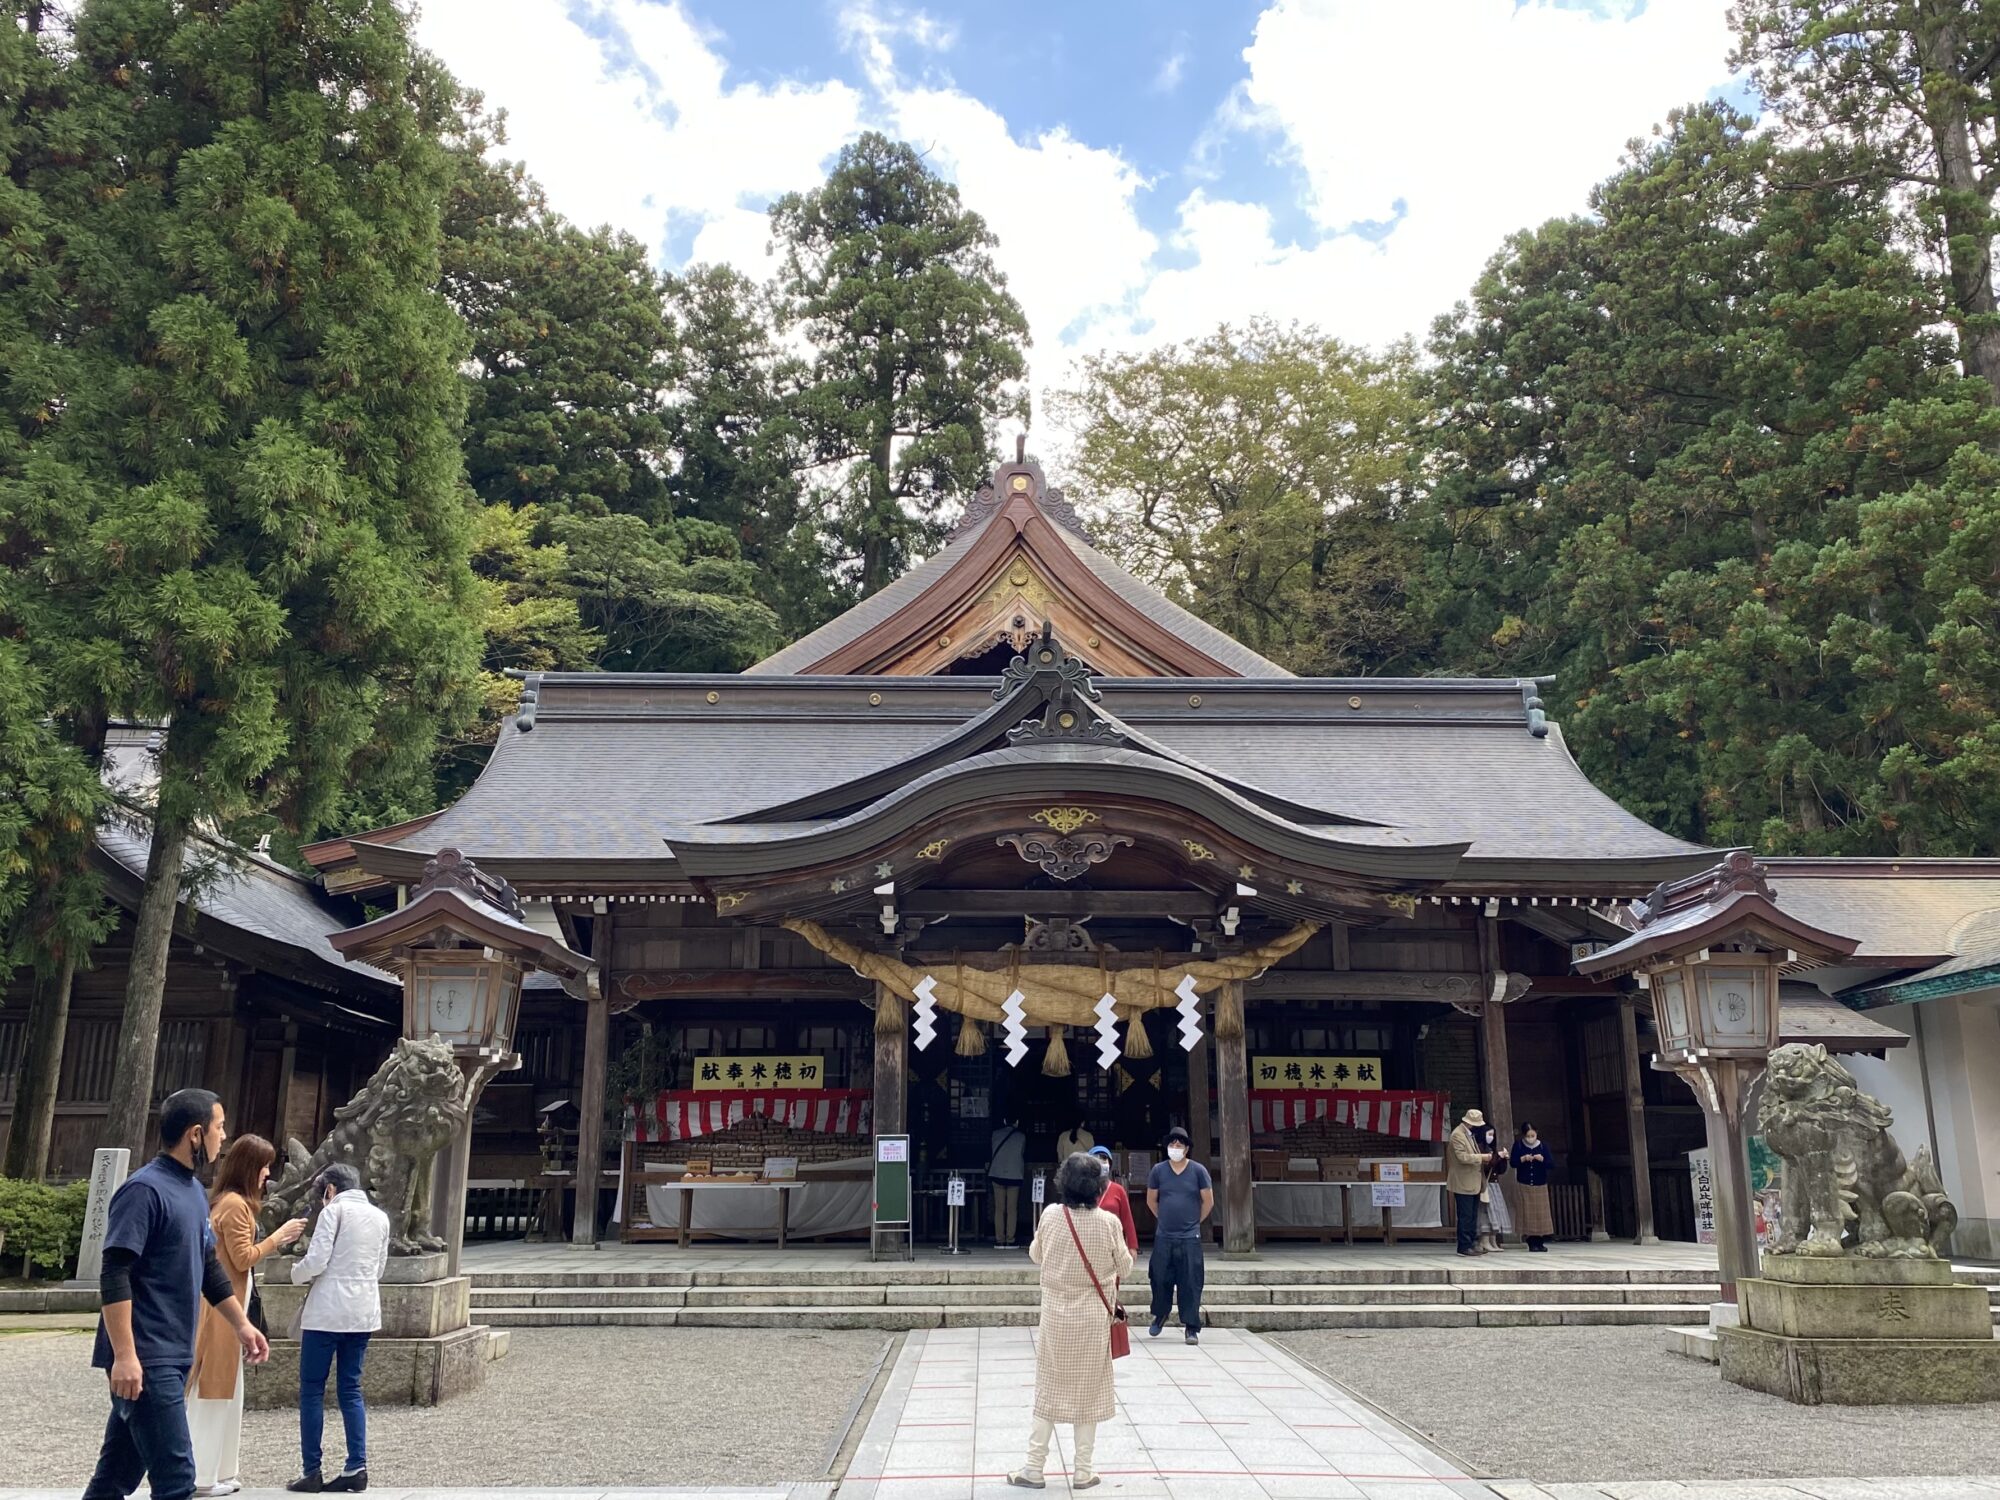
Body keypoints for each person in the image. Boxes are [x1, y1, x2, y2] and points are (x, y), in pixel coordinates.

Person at [83, 1088, 271, 1500]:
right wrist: (125, 1356)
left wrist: (243, 1325)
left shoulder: (192, 1193)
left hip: (171, 1351)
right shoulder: (144, 1191)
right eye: (220, 1127)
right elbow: (115, 1273)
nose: (224, 1137)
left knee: (115, 1476)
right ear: (196, 1134)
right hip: (147, 1356)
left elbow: (209, 1269)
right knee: (177, 1479)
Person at [1009, 1152, 1135, 1491]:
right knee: (1088, 1393)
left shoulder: (1051, 1216)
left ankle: (1034, 1467)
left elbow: (1036, 1254)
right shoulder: (1108, 1222)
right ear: (1098, 1187)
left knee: (1048, 1389)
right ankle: (1083, 1470)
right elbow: (1125, 1267)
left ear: (1063, 1182)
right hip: (1093, 1318)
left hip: (1055, 1317)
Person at [190, 1135, 306, 1496]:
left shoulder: (224, 1202)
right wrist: (278, 1238)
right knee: (215, 1389)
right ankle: (204, 1474)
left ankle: (217, 1470)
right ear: (250, 1168)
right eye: (265, 1166)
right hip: (226, 1309)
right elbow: (242, 1258)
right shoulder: (236, 1205)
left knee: (226, 1388)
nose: (268, 1174)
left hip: (224, 1306)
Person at [287, 1163, 391, 1494]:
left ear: (330, 1189)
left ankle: (311, 1469)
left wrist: (295, 1272)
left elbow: (316, 1261)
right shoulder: (380, 1217)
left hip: (327, 1313)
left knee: (312, 1388)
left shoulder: (334, 1212)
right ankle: (356, 1465)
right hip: (363, 1312)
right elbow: (379, 1269)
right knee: (350, 1388)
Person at [1144, 1125, 1212, 1345]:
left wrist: (1193, 1222)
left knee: (1190, 1282)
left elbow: (1208, 1201)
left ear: (1187, 1149)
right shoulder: (1158, 1171)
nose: (1175, 1147)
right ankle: (1160, 1314)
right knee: (1159, 1277)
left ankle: (1191, 1326)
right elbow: (1151, 1200)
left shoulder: (1198, 1171)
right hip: (1164, 1235)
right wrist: (1163, 1217)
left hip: (1189, 1237)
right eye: (1172, 1144)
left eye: (1179, 1144)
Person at [1447, 1108, 1495, 1257]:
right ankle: (1464, 1246)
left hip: (1473, 1181)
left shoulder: (1469, 1134)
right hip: (1463, 1181)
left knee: (1473, 1215)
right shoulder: (1457, 1135)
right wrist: (1483, 1157)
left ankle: (1473, 1243)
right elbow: (1463, 1157)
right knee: (1465, 1215)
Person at [1511, 1123, 1555, 1251]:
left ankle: (1540, 1242)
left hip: (1540, 1183)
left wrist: (1542, 1159)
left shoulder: (1543, 1146)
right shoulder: (1518, 1145)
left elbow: (1551, 1164)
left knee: (1540, 1215)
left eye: (1533, 1135)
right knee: (1528, 1214)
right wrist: (1523, 1159)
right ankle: (1531, 1241)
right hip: (1524, 1183)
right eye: (1528, 1136)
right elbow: (1513, 1163)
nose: (1530, 1138)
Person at [1087, 1146, 1137, 1254]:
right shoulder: (1083, 1190)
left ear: (1109, 1164)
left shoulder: (1118, 1190)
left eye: (1104, 1160)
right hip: (1089, 1241)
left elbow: (1127, 1219)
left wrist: (1132, 1245)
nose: (1101, 1163)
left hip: (1114, 1242)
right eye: (1097, 1160)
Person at [989, 1116, 1027, 1249]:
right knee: (1012, 1209)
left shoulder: (995, 1135)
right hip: (1014, 1175)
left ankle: (999, 1239)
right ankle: (1010, 1239)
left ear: (1004, 1120)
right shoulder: (1021, 1137)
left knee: (999, 1209)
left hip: (997, 1174)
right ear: (1017, 1121)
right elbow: (1021, 1152)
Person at [1476, 1121, 1511, 1252]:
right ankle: (1484, 1241)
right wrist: (1496, 1157)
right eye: (1489, 1134)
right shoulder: (1480, 1148)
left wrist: (1503, 1159)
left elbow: (1500, 1170)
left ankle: (1493, 1241)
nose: (1491, 1137)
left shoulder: (1492, 1149)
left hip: (1495, 1184)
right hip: (1485, 1184)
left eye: (1492, 1134)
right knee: (1486, 1213)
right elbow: (1484, 1166)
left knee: (1496, 1212)